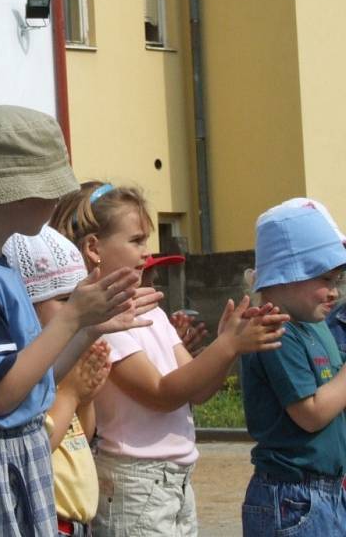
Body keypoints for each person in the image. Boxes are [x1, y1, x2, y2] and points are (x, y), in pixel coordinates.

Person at [0, 106, 151, 536]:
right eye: (50, 189)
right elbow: (1, 396)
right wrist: (74, 316)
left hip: (11, 459)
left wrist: (90, 328)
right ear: (17, 193)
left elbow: (33, 382)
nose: (56, 200)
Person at [49, 181, 287, 536]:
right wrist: (227, 347)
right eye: (136, 240)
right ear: (94, 248)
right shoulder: (103, 323)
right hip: (134, 481)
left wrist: (225, 347)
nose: (147, 251)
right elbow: (160, 393)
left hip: (173, 480)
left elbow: (196, 390)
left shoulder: (151, 311)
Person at [241, 204, 346, 534]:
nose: (335, 291)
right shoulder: (275, 329)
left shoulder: (314, 324)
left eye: (338, 279)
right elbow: (310, 413)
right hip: (292, 498)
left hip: (323, 492)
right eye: (325, 278)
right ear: (286, 273)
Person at [3, 225, 111, 537]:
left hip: (81, 525)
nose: (77, 310)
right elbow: (38, 445)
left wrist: (86, 398)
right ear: (25, 308)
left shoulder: (65, 360)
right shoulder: (26, 372)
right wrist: (71, 395)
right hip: (49, 524)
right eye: (65, 300)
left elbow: (82, 437)